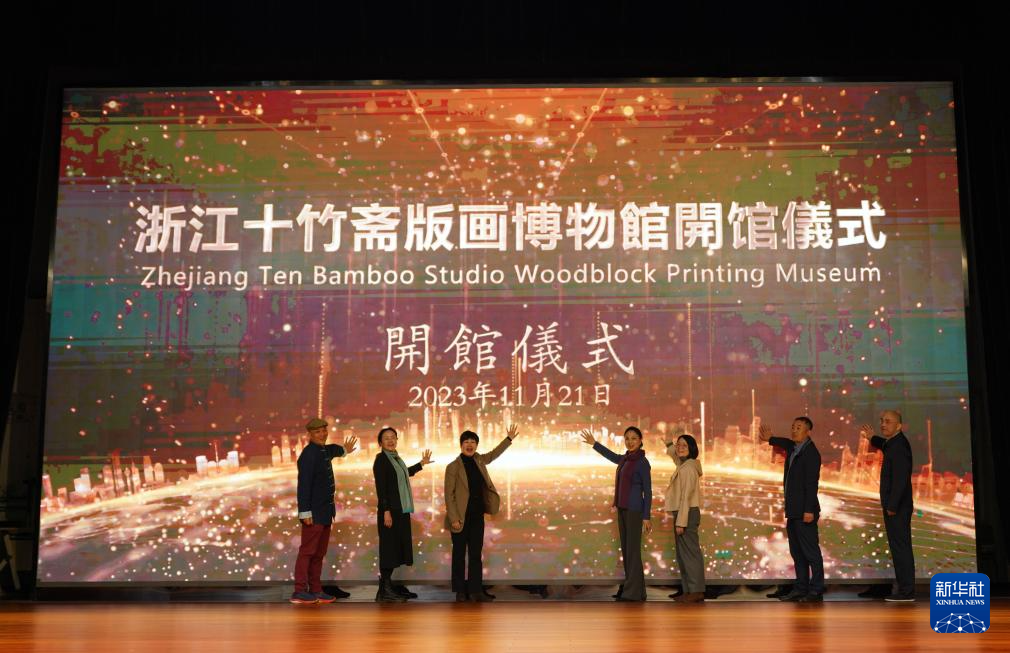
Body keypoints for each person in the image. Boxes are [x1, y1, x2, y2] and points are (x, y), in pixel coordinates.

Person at [444, 424, 519, 602]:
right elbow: (449, 495)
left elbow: (493, 454)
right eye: (466, 442)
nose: (470, 445)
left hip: (477, 516)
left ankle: (475, 591)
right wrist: (454, 518)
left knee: (476, 555)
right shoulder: (453, 467)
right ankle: (460, 592)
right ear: (461, 445)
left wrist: (508, 439)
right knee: (459, 556)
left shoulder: (479, 460)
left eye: (473, 442)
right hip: (460, 518)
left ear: (476, 445)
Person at [579, 426, 652, 602]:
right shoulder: (625, 459)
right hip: (623, 509)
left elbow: (648, 491)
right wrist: (595, 444)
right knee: (627, 551)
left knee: (632, 552)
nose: (630, 441)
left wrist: (646, 517)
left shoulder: (642, 462)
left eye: (634, 438)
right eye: (627, 438)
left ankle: (633, 592)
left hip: (634, 511)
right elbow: (611, 456)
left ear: (640, 441)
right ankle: (635, 590)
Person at [291, 417, 358, 605]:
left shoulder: (323, 450)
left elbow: (333, 450)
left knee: (318, 554)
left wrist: (344, 450)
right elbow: (304, 486)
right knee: (307, 552)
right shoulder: (308, 455)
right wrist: (305, 512)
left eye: (324, 430)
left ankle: (316, 590)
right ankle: (299, 591)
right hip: (313, 513)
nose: (322, 434)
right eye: (317, 432)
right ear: (310, 434)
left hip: (326, 512)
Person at [759, 417, 825, 602]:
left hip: (805, 512)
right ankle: (801, 588)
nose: (794, 430)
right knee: (797, 553)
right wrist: (771, 439)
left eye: (799, 427)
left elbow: (812, 484)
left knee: (811, 553)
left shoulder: (811, 453)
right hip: (794, 510)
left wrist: (809, 510)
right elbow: (786, 442)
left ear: (808, 432)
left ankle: (816, 590)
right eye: (793, 426)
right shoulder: (794, 448)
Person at [372, 426, 433, 602]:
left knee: (396, 548)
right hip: (390, 512)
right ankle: (384, 591)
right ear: (380, 442)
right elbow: (381, 488)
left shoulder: (396, 459)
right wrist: (386, 511)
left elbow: (405, 474)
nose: (390, 440)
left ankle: (388, 587)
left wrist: (421, 464)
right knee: (389, 549)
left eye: (393, 437)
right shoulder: (381, 460)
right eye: (386, 438)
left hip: (400, 510)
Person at [860, 411, 915, 601]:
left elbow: (901, 479)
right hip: (896, 506)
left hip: (897, 507)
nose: (883, 424)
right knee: (899, 548)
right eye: (882, 421)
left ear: (899, 426)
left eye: (888, 422)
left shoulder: (899, 446)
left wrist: (892, 505)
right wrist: (871, 437)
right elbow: (884, 444)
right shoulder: (893, 443)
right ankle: (905, 590)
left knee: (901, 549)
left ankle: (906, 592)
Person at [662, 431, 705, 602]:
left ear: (691, 448)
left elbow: (686, 497)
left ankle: (696, 591)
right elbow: (676, 457)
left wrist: (681, 521)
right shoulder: (685, 464)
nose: (679, 448)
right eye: (678, 444)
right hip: (684, 512)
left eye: (684, 445)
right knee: (684, 554)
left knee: (690, 554)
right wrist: (669, 445)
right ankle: (689, 590)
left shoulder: (688, 469)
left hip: (686, 513)